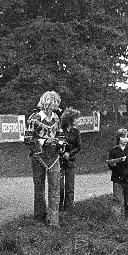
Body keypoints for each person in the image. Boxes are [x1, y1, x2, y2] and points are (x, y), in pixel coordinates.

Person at [24, 90, 64, 227]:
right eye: (55, 101)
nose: (57, 104)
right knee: (39, 188)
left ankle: (54, 220)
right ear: (47, 102)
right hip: (38, 156)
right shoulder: (34, 118)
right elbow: (27, 139)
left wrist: (59, 143)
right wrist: (43, 142)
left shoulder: (56, 118)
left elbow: (61, 135)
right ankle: (40, 218)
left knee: (55, 187)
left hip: (54, 157)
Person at [107, 128, 128, 217]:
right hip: (117, 178)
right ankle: (117, 219)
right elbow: (110, 164)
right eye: (123, 137)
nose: (125, 139)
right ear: (118, 138)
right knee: (117, 199)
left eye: (127, 137)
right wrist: (113, 164)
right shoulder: (114, 150)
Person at [59, 107, 81, 211]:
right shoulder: (60, 130)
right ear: (70, 120)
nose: (78, 120)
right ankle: (59, 209)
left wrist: (70, 153)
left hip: (71, 161)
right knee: (60, 187)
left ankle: (69, 210)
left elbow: (78, 146)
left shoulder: (76, 132)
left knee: (70, 187)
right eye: (76, 118)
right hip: (59, 161)